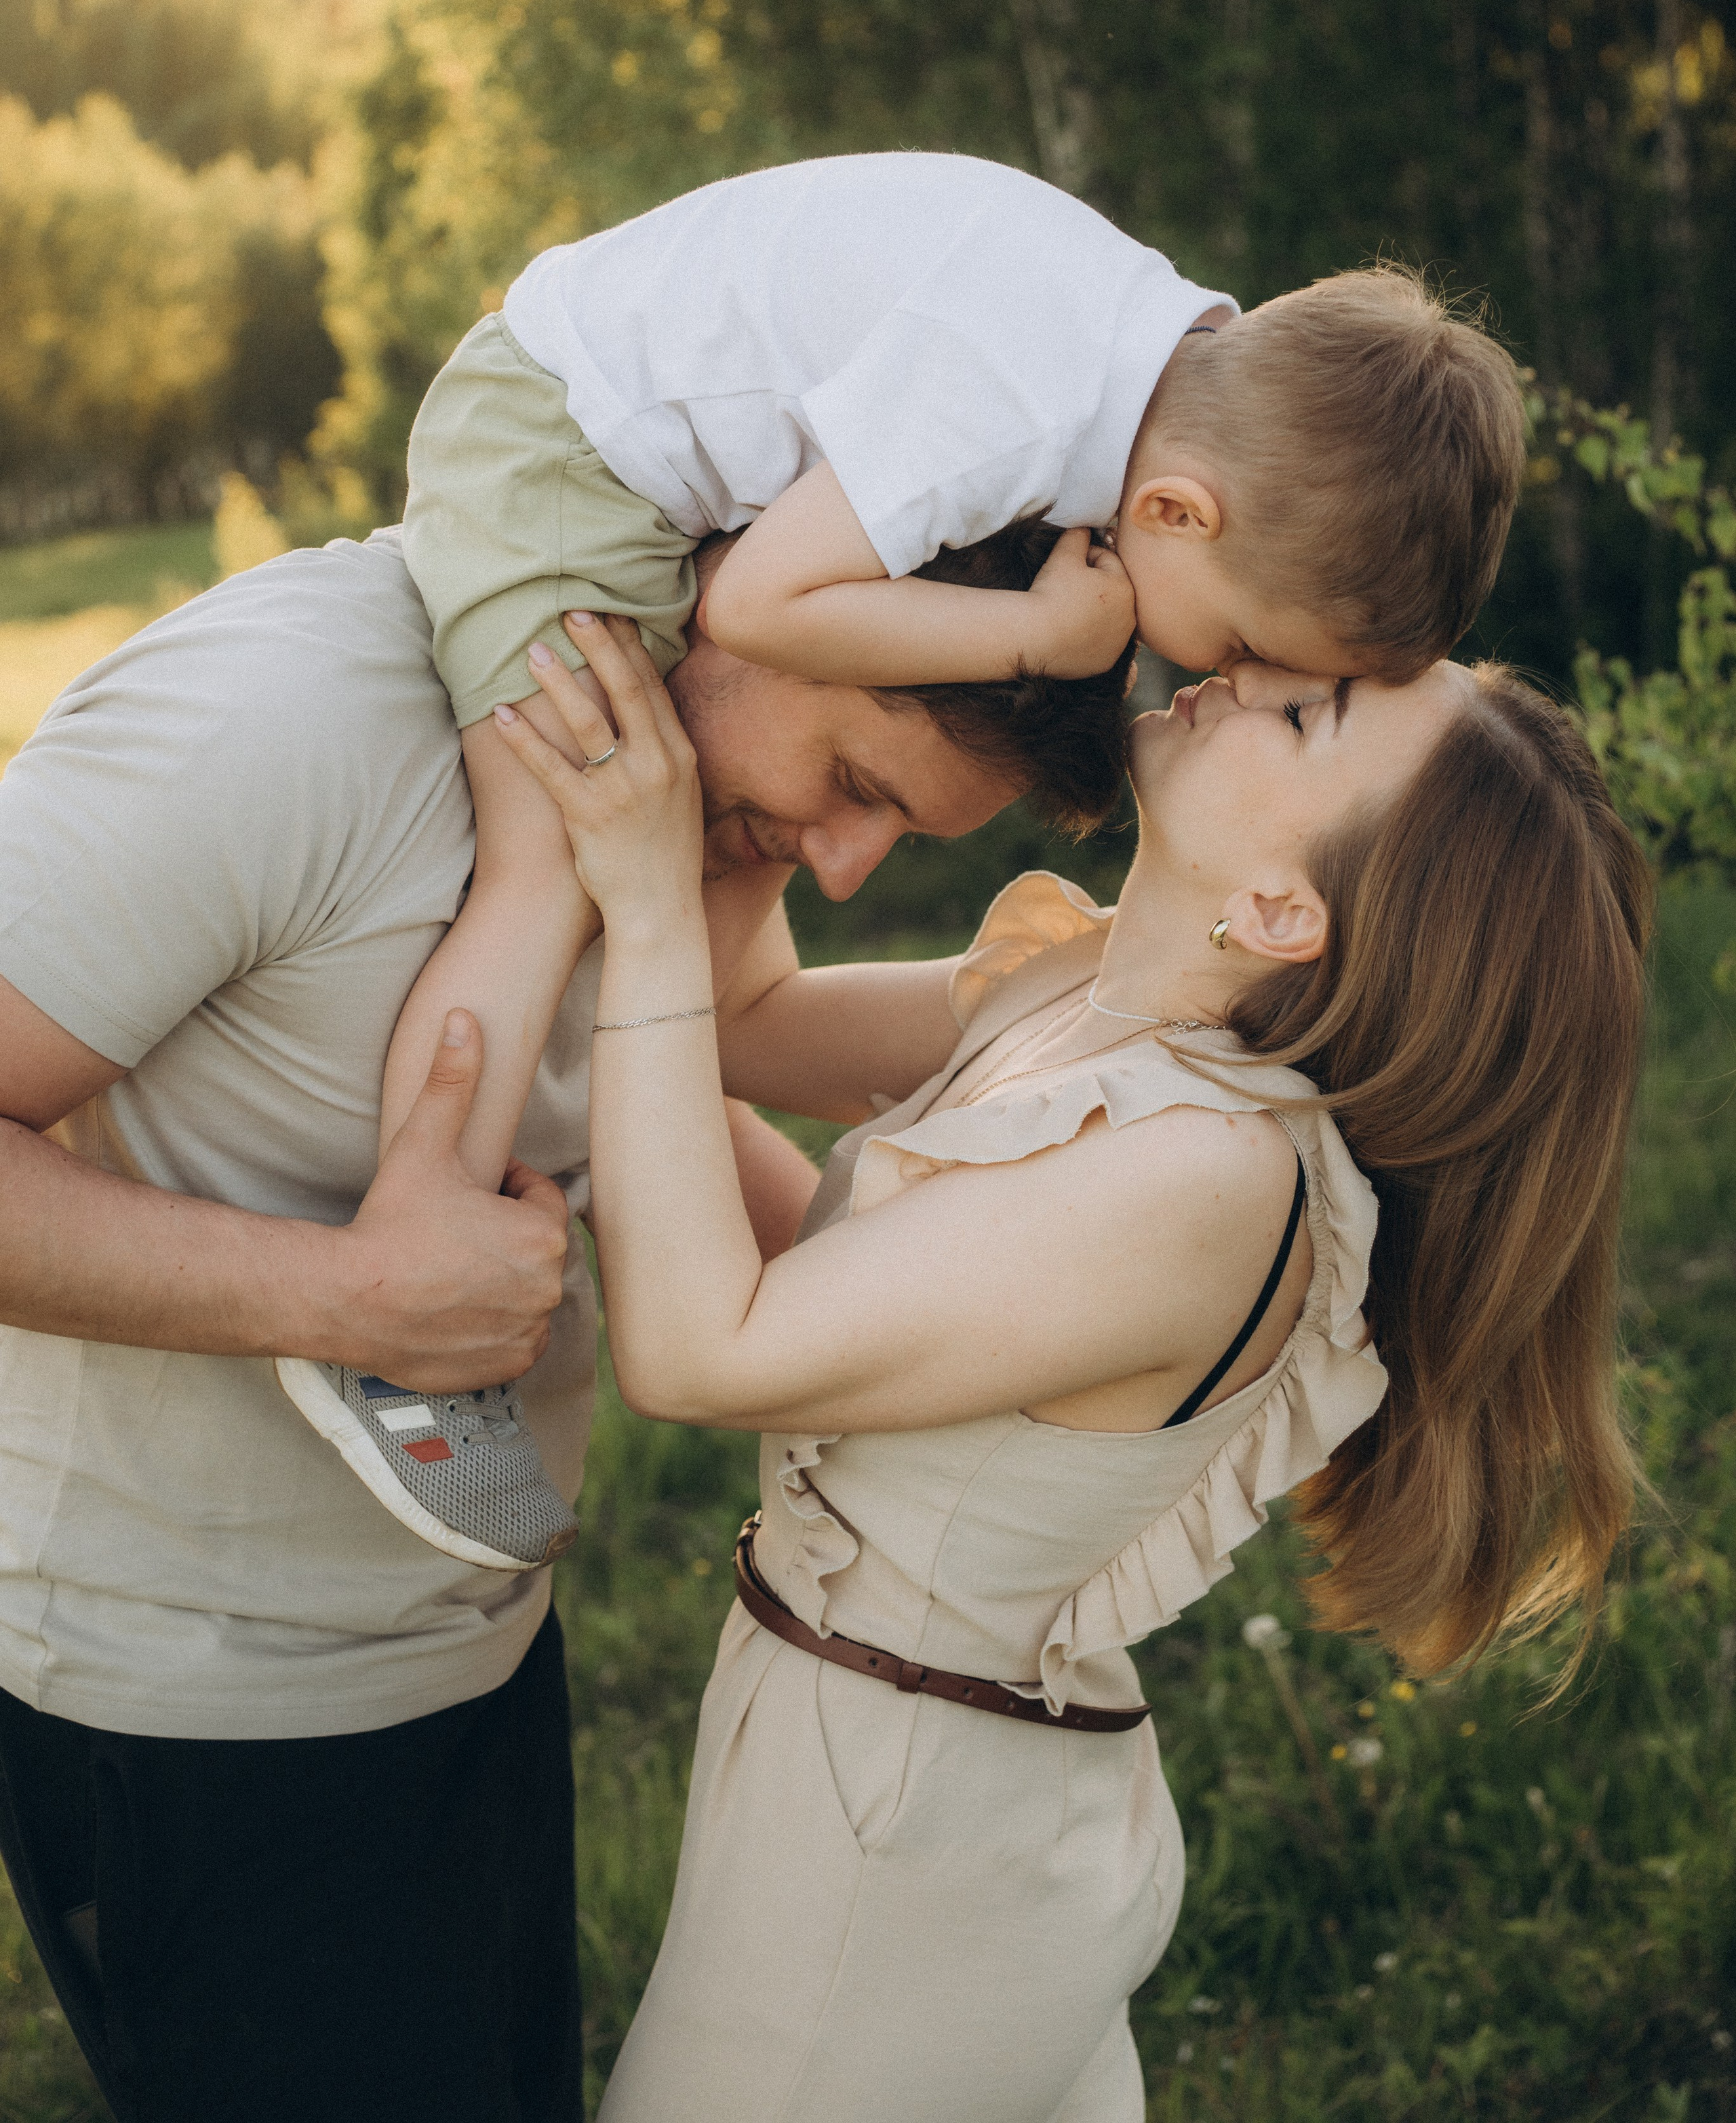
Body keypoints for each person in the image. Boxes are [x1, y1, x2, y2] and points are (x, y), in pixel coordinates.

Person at [0, 519, 1128, 2123]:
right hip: (196, 1701)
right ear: (765, 602)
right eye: (860, 785)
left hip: (471, 1644)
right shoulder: (286, 719)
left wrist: (1110, 1101)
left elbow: (688, 1065)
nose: (842, 862)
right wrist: (350, 1297)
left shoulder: (688, 787)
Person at [289, 151, 1530, 1568]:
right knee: (537, 873)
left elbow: (749, 1031)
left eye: (1278, 688)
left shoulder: (1141, 367)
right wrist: (1021, 645)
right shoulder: (1019, 394)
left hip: (590, 434)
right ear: (1181, 509)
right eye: (1254, 651)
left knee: (558, 867)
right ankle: (391, 1289)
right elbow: (761, 602)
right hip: (561, 442)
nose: (1220, 679)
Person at [497, 610, 1651, 2123]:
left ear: (1281, 910)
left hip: (901, 1854)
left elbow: (701, 1347)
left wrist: (648, 900)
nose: (1248, 668)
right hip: (867, 1766)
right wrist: (784, 724)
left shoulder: (1211, 1179)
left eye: (1304, 718)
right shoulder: (1092, 993)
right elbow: (752, 1027)